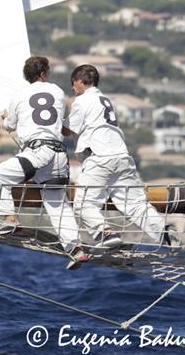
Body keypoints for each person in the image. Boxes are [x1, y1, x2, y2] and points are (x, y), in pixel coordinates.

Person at [0, 56, 89, 269]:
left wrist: (5, 119)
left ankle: (10, 220)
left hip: (37, 151)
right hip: (59, 154)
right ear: (44, 74)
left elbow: (10, 125)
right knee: (58, 204)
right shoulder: (58, 92)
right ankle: (76, 249)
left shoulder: (19, 96)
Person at [63, 64, 166, 248]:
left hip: (100, 157)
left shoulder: (82, 101)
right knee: (134, 204)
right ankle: (166, 235)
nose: (73, 88)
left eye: (73, 84)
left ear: (79, 81)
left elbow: (67, 130)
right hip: (122, 157)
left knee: (83, 204)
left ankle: (106, 234)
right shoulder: (107, 100)